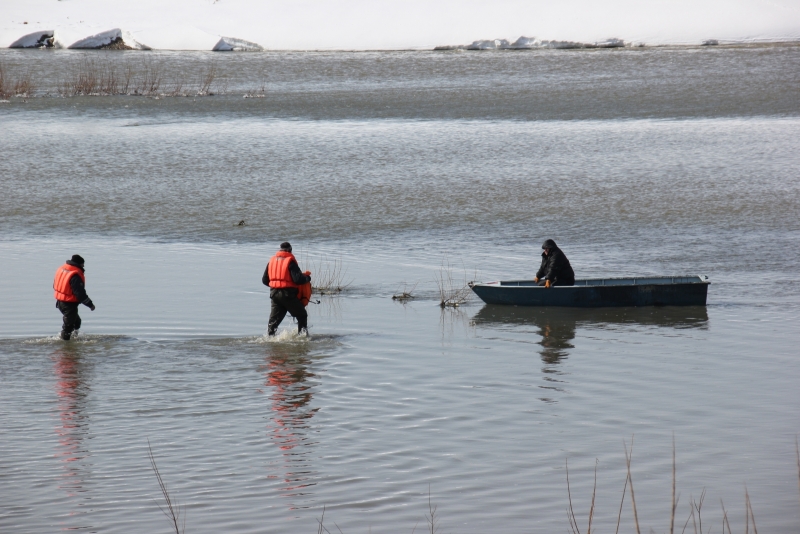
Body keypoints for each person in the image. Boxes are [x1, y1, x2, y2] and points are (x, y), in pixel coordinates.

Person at [262, 242, 312, 336]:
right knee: (302, 315)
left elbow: (265, 280)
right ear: (290, 250)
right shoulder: (290, 262)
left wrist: (276, 284)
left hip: (274, 294)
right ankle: (302, 337)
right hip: (288, 295)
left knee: (274, 321)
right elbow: (297, 280)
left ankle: (270, 338)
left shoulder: (271, 261)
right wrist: (307, 278)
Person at [53, 255, 96, 340]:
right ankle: (65, 346)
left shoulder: (63, 269)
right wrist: (90, 304)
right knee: (68, 327)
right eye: (83, 265)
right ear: (79, 264)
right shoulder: (75, 275)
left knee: (77, 322)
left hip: (60, 301)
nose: (83, 267)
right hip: (68, 304)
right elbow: (80, 293)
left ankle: (74, 338)